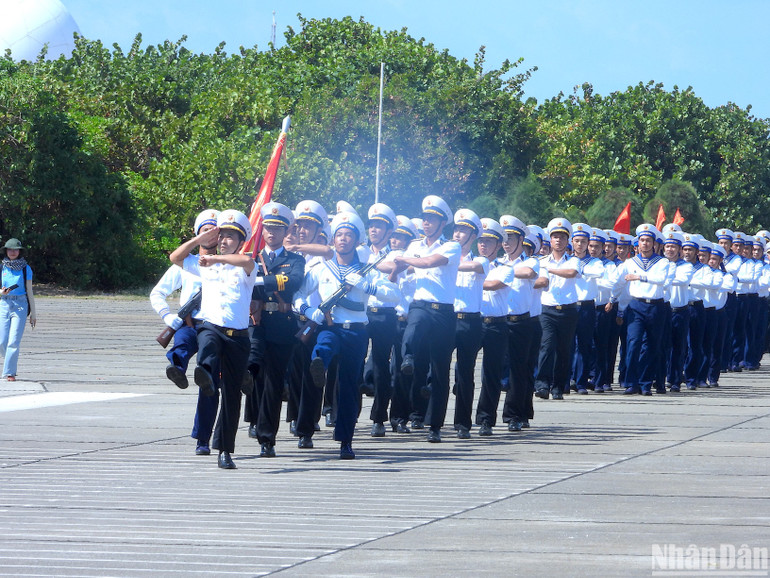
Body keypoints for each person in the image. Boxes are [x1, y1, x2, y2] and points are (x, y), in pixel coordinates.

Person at [294, 211, 399, 459]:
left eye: (348, 235)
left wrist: (368, 286)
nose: (343, 239)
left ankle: (345, 440)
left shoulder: (367, 271)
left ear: (356, 241)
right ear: (333, 240)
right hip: (330, 327)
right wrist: (309, 310)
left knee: (349, 386)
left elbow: (395, 295)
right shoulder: (321, 269)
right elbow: (297, 295)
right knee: (323, 346)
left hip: (356, 331)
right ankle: (319, 363)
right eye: (339, 235)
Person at [169, 209, 257, 470]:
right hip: (212, 327)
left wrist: (216, 257)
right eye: (222, 236)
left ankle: (225, 450)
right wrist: (200, 240)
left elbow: (246, 262)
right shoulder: (204, 263)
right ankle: (205, 374)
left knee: (231, 397)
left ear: (241, 242)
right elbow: (175, 257)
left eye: (230, 237)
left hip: (238, 337)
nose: (224, 240)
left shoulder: (245, 265)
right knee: (207, 342)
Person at [150, 209, 220, 455]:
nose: (211, 235)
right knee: (180, 346)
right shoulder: (186, 263)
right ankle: (177, 369)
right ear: (197, 234)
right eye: (205, 231)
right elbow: (157, 292)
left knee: (208, 381)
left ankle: (203, 438)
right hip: (189, 324)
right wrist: (168, 316)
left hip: (215, 328)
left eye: (215, 231)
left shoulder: (226, 264)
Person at [392, 195, 461, 443]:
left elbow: (429, 262)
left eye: (432, 219)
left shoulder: (451, 246)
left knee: (440, 369)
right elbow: (399, 270)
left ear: (443, 223)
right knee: (414, 325)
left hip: (443, 311)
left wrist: (404, 259)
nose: (427, 223)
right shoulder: (414, 246)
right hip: (420, 304)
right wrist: (395, 266)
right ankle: (408, 356)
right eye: (425, 219)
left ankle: (435, 425)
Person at [251, 202, 306, 457]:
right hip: (256, 324)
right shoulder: (252, 259)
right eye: (268, 228)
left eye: (277, 229)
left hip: (281, 326)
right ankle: (255, 421)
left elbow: (293, 282)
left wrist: (261, 280)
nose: (271, 233)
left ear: (286, 233)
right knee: (253, 376)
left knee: (272, 382)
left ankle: (266, 438)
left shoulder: (295, 260)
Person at [534, 218, 580, 400]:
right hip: (547, 309)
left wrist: (550, 270)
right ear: (550, 240)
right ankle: (542, 384)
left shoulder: (574, 261)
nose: (558, 241)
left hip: (568, 310)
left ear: (567, 241)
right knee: (546, 346)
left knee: (564, 349)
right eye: (555, 237)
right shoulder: (541, 261)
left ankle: (558, 387)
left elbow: (571, 273)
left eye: (562, 237)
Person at [450, 209, 486, 439]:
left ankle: (463, 423)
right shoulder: (442, 255)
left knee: (465, 373)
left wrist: (447, 263)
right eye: (456, 229)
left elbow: (473, 268)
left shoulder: (481, 260)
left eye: (463, 230)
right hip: (447, 319)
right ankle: (428, 420)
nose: (457, 234)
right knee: (437, 368)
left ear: (473, 236)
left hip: (471, 321)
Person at [1, 239, 37, 381]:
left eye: (16, 249)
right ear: (6, 251)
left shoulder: (25, 268)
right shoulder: (1, 268)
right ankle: (10, 360)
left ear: (20, 251)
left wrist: (33, 313)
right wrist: (1, 292)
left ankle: (10, 372)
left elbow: (30, 291)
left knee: (13, 341)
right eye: (10, 249)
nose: (13, 252)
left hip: (20, 305)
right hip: (4, 304)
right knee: (1, 341)